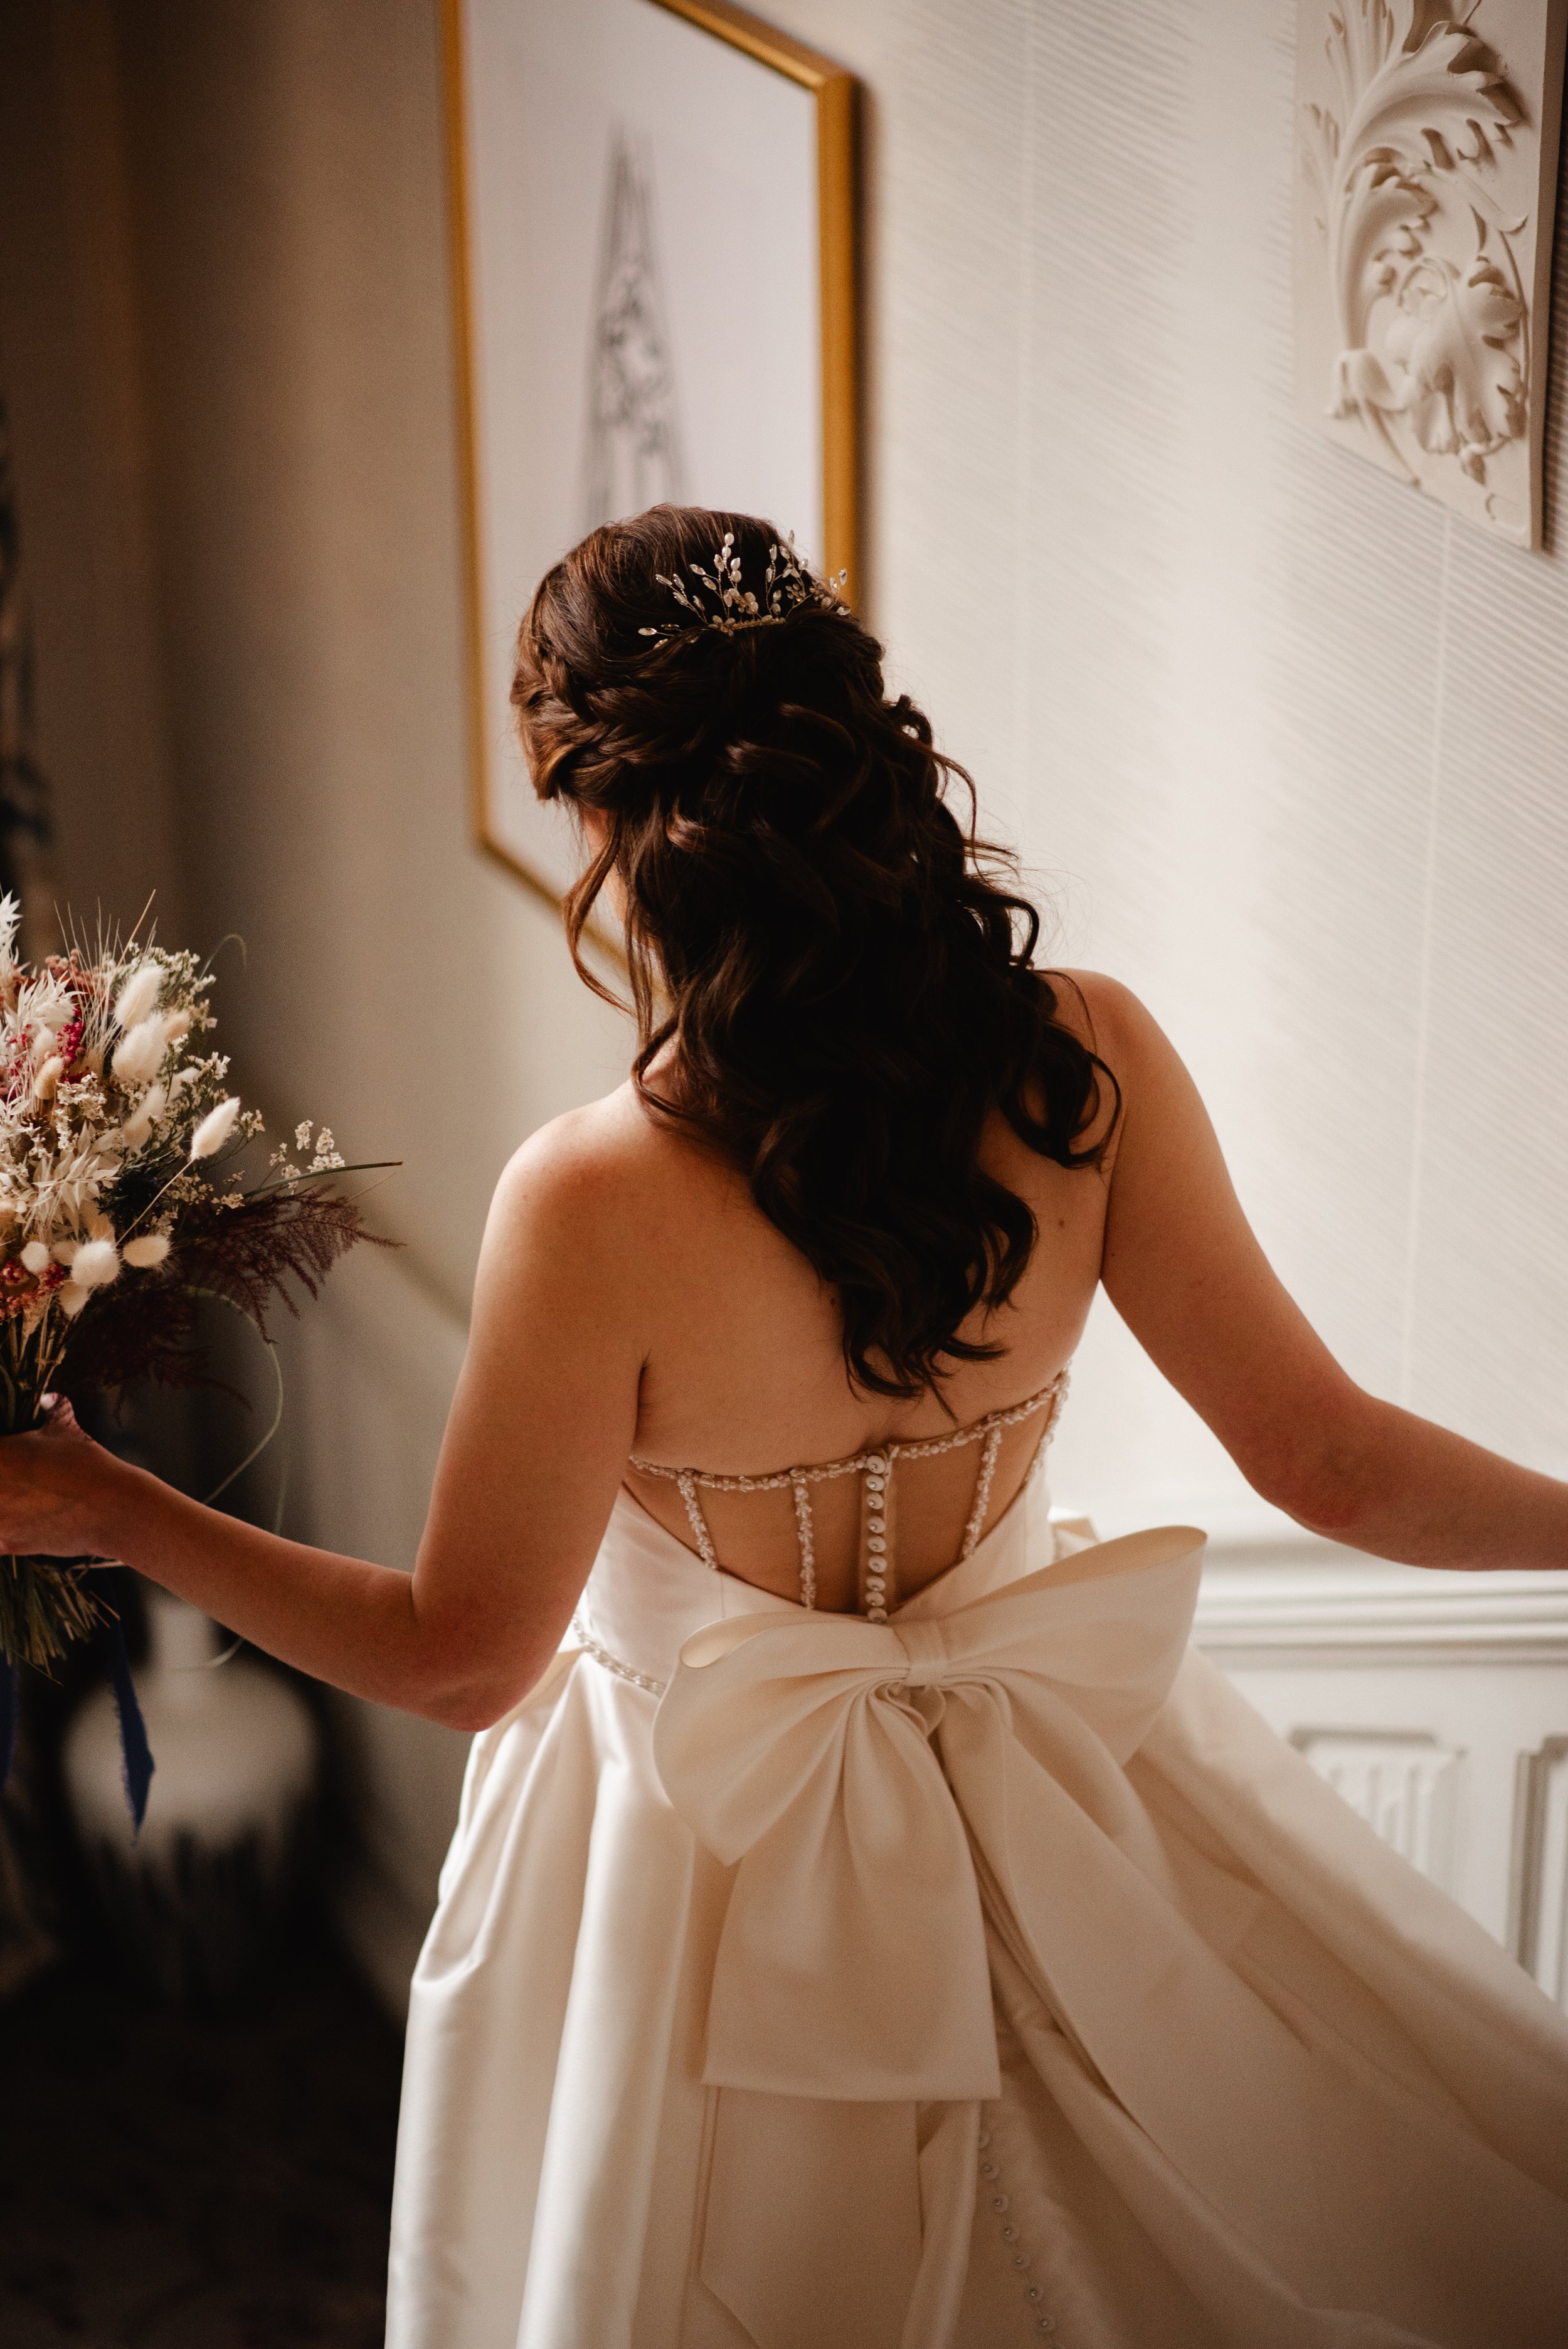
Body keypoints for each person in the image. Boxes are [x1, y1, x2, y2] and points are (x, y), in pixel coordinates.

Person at [3, 507, 1567, 2348]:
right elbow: (1336, 1466)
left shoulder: (590, 1201)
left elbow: (459, 1659)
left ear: (606, 824)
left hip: (689, 1869)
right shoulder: (1089, 1062)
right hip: (1060, 1797)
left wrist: (110, 1506)